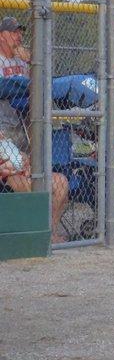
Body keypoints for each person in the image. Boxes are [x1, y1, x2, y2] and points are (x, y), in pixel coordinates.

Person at [0, 16, 68, 243]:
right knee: (17, 176)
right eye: (13, 32)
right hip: (3, 134)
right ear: (1, 35)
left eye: (20, 32)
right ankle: (32, 230)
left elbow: (45, 86)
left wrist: (32, 62)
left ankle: (48, 233)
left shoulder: (22, 61)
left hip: (26, 134)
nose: (18, 36)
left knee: (60, 183)